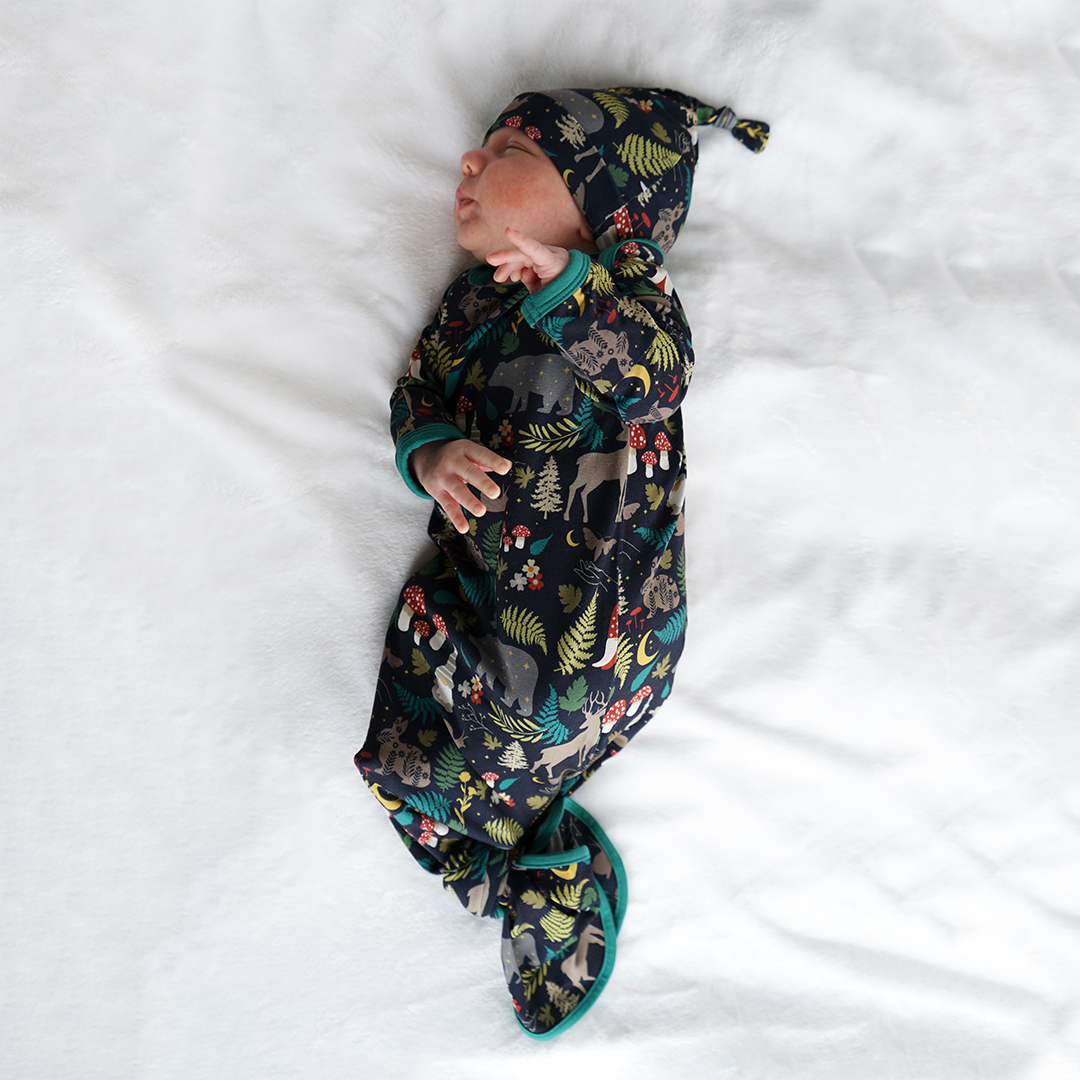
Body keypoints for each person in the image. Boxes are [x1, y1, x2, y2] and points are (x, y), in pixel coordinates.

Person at [356, 87, 768, 1038]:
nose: (468, 165)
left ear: (596, 199)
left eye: (502, 149)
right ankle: (523, 871)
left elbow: (654, 382)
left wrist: (565, 285)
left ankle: (523, 861)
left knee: (497, 733)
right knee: (402, 763)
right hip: (511, 621)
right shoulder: (468, 305)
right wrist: (430, 452)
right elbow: (419, 386)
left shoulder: (634, 293)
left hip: (615, 620)